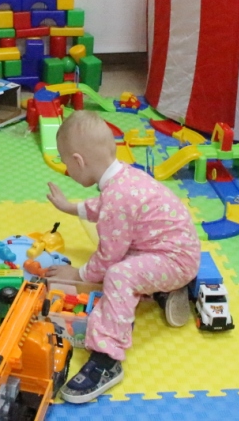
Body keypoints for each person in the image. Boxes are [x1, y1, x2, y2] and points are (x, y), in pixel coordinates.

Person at [45, 110, 200, 404]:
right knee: (121, 260)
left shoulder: (118, 197)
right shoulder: (122, 177)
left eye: (66, 165)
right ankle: (165, 291)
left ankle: (107, 359)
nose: (67, 170)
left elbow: (107, 256)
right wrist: (70, 208)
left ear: (79, 161)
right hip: (167, 249)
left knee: (117, 273)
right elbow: (102, 206)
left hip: (175, 260)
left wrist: (78, 274)